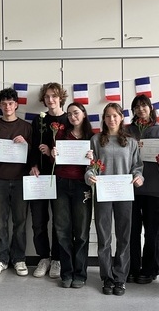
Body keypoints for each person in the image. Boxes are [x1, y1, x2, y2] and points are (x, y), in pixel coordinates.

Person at [85, 102, 144, 296]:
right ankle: (107, 277)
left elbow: (137, 166)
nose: (111, 119)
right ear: (103, 119)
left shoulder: (131, 142)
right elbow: (90, 166)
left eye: (115, 116)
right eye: (108, 116)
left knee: (124, 236)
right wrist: (89, 176)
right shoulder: (96, 140)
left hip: (124, 193)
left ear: (121, 118)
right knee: (104, 237)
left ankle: (120, 277)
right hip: (103, 193)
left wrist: (138, 177)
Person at [0, 87, 32, 277]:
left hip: (21, 180)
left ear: (16, 105)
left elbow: (34, 157)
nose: (7, 107)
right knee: (0, 223)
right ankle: (2, 258)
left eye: (10, 103)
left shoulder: (27, 127)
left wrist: (26, 145)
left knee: (20, 222)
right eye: (4, 104)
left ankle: (19, 258)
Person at [126, 95, 159, 284]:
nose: (140, 109)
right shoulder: (127, 131)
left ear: (150, 108)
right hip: (130, 189)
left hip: (153, 189)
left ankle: (151, 269)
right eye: (136, 106)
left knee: (152, 232)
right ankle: (132, 268)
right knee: (132, 232)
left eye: (144, 105)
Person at [51, 102, 94, 289]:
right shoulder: (61, 134)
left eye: (76, 113)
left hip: (82, 185)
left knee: (82, 232)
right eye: (69, 114)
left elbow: (99, 164)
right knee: (62, 231)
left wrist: (93, 158)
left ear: (83, 114)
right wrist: (53, 153)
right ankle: (66, 273)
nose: (72, 117)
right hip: (61, 183)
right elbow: (54, 160)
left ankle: (80, 273)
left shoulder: (92, 136)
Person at [29, 82, 68, 279]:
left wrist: (53, 153)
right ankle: (43, 257)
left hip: (61, 176)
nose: (50, 99)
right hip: (39, 177)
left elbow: (73, 147)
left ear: (61, 97)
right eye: (47, 96)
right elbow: (32, 145)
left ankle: (57, 259)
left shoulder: (68, 118)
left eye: (54, 96)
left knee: (59, 221)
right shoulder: (39, 120)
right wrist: (33, 164)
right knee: (38, 220)